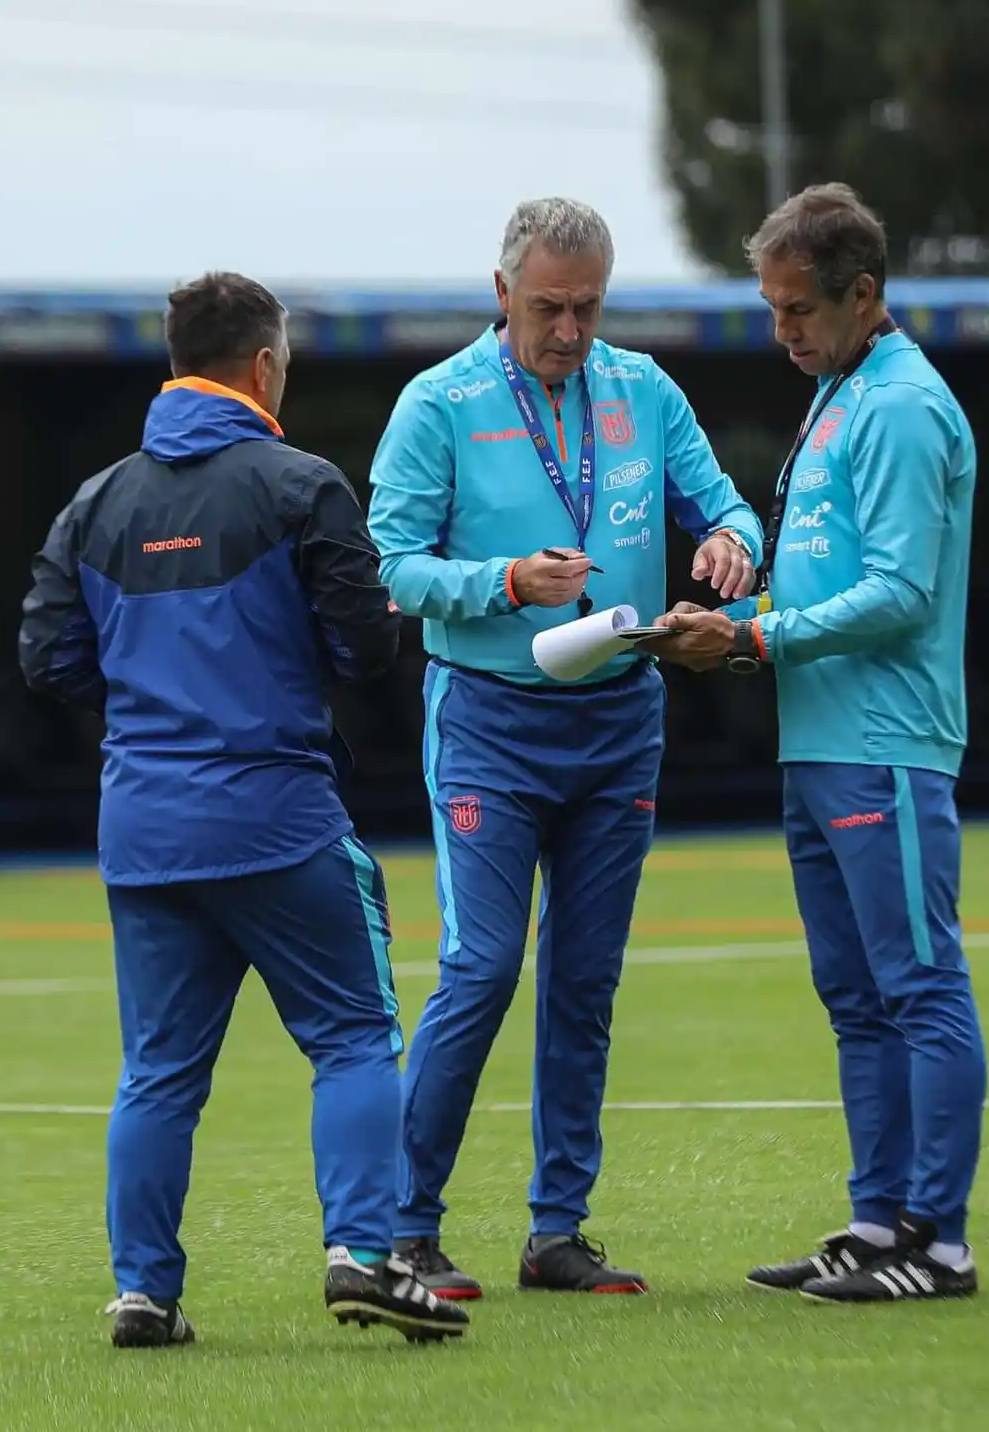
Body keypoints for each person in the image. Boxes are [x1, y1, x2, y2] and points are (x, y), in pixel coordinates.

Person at [18, 272, 470, 1349]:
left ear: (176, 361)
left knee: (158, 1072)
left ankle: (143, 1293)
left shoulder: (94, 504)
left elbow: (47, 659)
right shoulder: (300, 483)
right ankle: (362, 1254)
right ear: (266, 366)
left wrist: (154, 699)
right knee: (355, 1035)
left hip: (144, 827)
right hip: (276, 817)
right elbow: (365, 645)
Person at [367, 197, 762, 1299]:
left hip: (624, 716)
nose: (570, 332)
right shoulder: (438, 403)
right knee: (483, 966)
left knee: (584, 982)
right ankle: (405, 1227)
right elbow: (388, 563)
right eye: (548, 308)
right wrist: (502, 583)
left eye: (588, 308)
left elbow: (728, 506)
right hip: (491, 718)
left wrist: (733, 543)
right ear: (502, 295)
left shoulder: (644, 390)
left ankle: (557, 1231)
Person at [656, 184, 988, 1304]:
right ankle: (877, 1218)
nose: (783, 332)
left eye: (799, 310)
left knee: (919, 984)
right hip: (821, 745)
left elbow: (899, 593)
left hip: (884, 744)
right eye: (772, 310)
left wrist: (748, 636)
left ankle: (938, 1243)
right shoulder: (842, 392)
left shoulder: (897, 406)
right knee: (856, 999)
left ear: (865, 295)